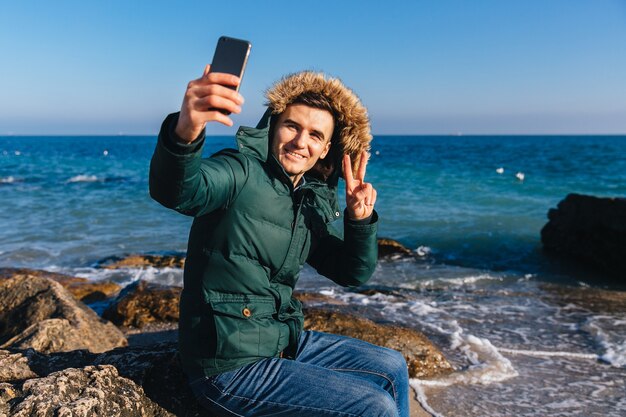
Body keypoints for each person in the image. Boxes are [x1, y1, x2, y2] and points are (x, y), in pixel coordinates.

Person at [149, 66, 409, 416]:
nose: (301, 142)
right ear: (273, 126)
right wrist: (185, 130)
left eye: (315, 135)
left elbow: (352, 272)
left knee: (391, 366)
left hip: (279, 339)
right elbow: (179, 190)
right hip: (228, 361)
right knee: (372, 406)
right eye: (292, 126)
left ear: (325, 149)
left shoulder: (307, 200)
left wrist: (359, 220)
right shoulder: (239, 170)